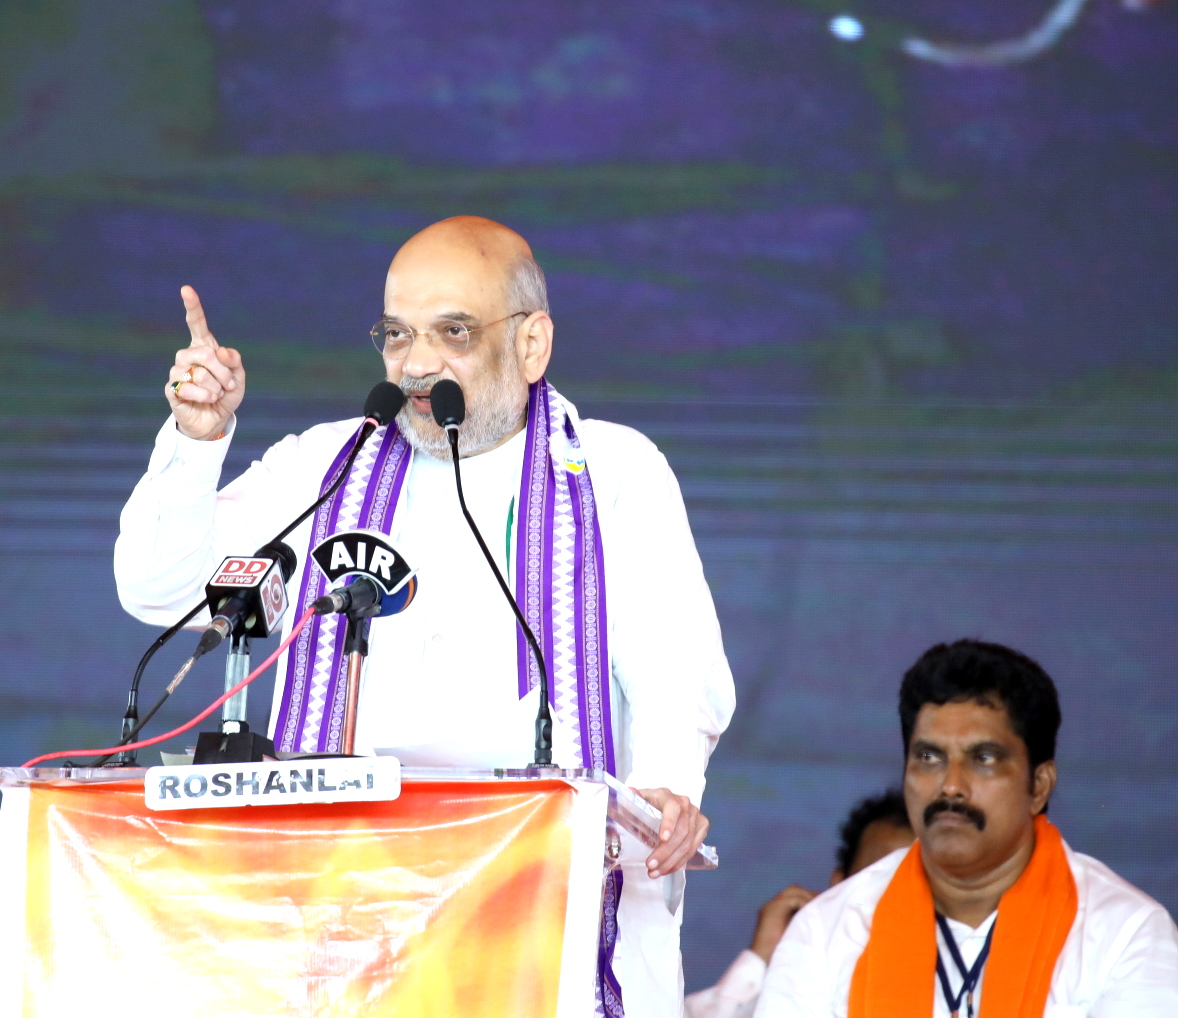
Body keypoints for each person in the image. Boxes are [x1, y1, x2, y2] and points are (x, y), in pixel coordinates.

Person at [115, 215, 736, 1013]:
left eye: (453, 332)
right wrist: (198, 442)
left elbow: (674, 671)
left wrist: (664, 787)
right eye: (396, 334)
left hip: (552, 912)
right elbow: (159, 593)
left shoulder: (613, 472)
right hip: (355, 918)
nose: (416, 364)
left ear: (533, 343)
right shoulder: (325, 468)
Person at [755, 640, 1178, 1017]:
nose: (951, 785)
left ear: (1039, 786)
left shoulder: (1125, 932)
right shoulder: (826, 932)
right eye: (929, 758)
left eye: (984, 759)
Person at [685, 789, 915, 1018]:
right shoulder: (804, 971)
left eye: (912, 885)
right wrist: (762, 958)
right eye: (875, 881)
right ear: (839, 885)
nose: (893, 902)